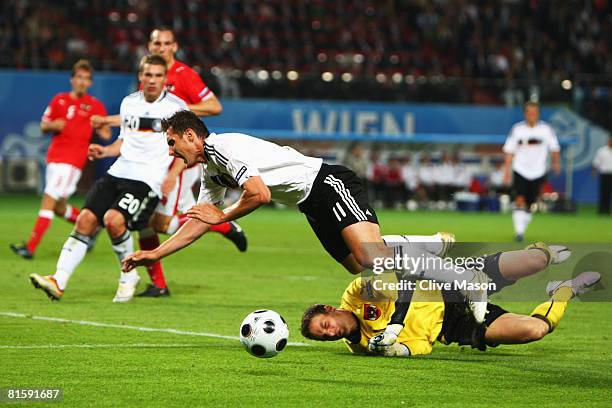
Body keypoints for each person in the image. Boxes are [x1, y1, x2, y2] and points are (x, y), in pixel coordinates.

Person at [121, 110, 503, 323]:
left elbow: (260, 195)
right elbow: (198, 223)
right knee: (359, 265)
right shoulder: (211, 171)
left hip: (327, 182)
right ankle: (429, 246)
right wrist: (155, 255)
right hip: (310, 203)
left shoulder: (223, 149)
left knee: (372, 257)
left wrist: (221, 215)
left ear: (190, 136)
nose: (171, 151)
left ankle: (467, 277)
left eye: (172, 143)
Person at [92, 27, 245, 298]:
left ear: (174, 47)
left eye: (165, 43)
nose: (160, 48)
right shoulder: (150, 77)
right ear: (149, 46)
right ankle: (159, 284)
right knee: (149, 219)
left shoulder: (183, 75)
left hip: (178, 158)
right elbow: (144, 119)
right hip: (155, 160)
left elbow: (214, 107)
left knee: (158, 222)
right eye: (155, 43)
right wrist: (110, 121)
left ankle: (220, 224)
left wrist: (178, 111)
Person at [28, 55, 186, 302]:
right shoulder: (129, 103)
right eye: (148, 75)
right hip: (119, 171)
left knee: (114, 220)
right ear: (140, 77)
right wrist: (105, 150)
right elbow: (123, 142)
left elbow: (185, 147)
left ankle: (127, 276)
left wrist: (172, 175)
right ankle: (58, 281)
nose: (152, 80)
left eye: (158, 75)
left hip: (148, 179)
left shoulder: (176, 108)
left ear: (165, 79)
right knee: (85, 219)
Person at [300, 244, 600, 357]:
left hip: (447, 282)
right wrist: (398, 350)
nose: (331, 333)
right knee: (535, 331)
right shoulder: (365, 347)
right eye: (324, 337)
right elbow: (421, 345)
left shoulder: (356, 293)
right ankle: (563, 291)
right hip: (453, 324)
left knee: (534, 260)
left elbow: (406, 281)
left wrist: (394, 325)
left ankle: (543, 252)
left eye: (325, 325)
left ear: (330, 309)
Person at [10, 59, 111, 259]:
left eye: (86, 79)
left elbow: (107, 134)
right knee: (58, 207)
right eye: (79, 77)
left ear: (90, 83)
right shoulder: (59, 100)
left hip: (71, 161)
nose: (82, 82)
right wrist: (53, 125)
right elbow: (43, 125)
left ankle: (30, 247)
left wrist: (100, 126)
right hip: (55, 157)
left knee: (48, 199)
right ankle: (92, 226)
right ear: (72, 79)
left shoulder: (95, 106)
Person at [503, 102, 561, 241]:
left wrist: (555, 163)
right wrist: (506, 171)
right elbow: (509, 151)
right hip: (520, 169)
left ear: (538, 114)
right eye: (529, 112)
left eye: (534, 112)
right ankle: (519, 233)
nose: (532, 115)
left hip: (538, 171)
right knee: (519, 200)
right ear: (525, 114)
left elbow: (555, 148)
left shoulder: (546, 130)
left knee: (530, 204)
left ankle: (522, 227)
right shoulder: (517, 129)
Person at [592, 135, 612, 215]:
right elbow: (596, 162)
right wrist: (594, 172)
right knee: (604, 192)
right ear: (608, 141)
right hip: (604, 174)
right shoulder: (602, 151)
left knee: (610, 193)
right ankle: (602, 210)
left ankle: (608, 211)